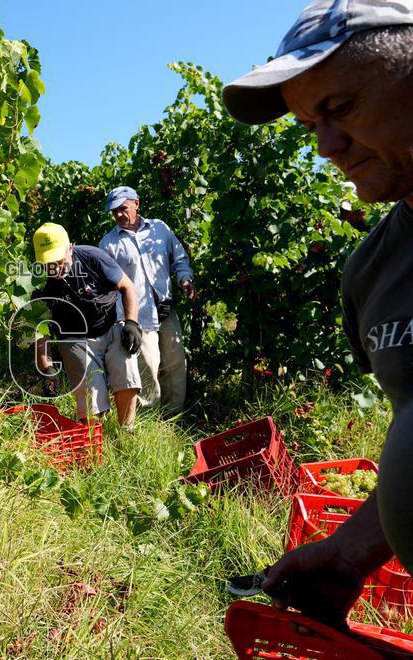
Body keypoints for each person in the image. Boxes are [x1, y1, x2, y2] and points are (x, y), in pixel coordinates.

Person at [223, 0, 413, 629]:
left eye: (340, 108)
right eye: (309, 126)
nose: (327, 146)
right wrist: (349, 554)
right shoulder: (374, 270)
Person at [31, 223, 143, 429]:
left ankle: (126, 432)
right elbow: (41, 329)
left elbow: (127, 286)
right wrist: (47, 367)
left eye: (59, 259)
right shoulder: (38, 283)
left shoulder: (93, 258)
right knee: (88, 385)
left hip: (109, 328)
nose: (54, 267)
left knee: (125, 366)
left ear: (70, 248)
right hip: (74, 338)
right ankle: (94, 439)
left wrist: (131, 323)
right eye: (48, 263)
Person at [98, 186, 196, 415]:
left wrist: (184, 278)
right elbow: (109, 288)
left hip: (166, 310)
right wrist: (123, 322)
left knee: (175, 367)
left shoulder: (159, 229)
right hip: (138, 317)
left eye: (123, 208)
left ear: (136, 204)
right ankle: (149, 422)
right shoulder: (109, 244)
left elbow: (179, 257)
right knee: (148, 370)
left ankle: (173, 420)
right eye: (114, 212)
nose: (119, 215)